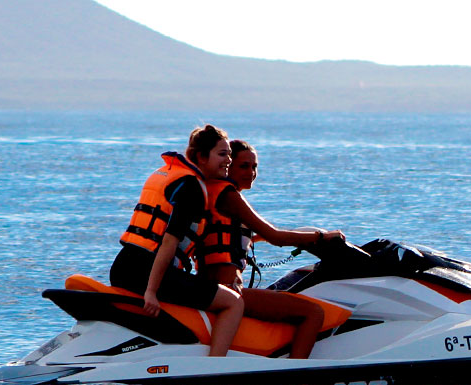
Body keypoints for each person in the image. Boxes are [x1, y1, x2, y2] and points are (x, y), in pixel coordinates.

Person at [190, 139, 342, 359]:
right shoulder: (228, 196)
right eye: (244, 166)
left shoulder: (213, 193)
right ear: (228, 165)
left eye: (255, 167)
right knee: (313, 313)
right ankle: (295, 378)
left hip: (213, 287)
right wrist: (322, 236)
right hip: (227, 290)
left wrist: (297, 237)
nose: (251, 172)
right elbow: (274, 236)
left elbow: (243, 235)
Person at [109, 124, 245, 356]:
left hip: (123, 266)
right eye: (222, 154)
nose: (228, 161)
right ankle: (216, 365)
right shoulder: (191, 187)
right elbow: (169, 243)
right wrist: (151, 292)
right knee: (233, 302)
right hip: (148, 274)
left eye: (230, 155)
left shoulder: (168, 174)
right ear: (201, 156)